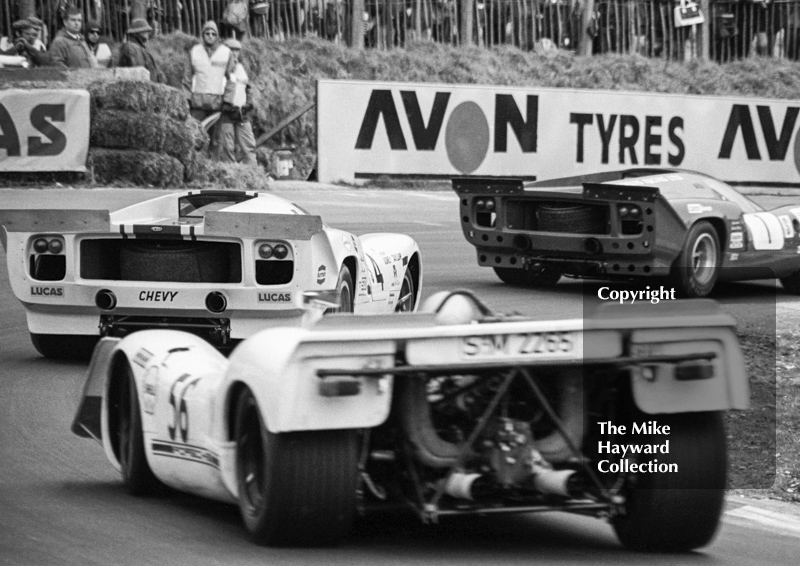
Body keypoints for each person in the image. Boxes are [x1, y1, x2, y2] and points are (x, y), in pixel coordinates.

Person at [182, 20, 235, 158]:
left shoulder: (226, 52)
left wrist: (228, 100)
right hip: (198, 104)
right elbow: (187, 77)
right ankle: (196, 165)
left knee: (216, 140)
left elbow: (232, 78)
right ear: (203, 34)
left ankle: (212, 167)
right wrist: (187, 98)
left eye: (213, 33)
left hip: (217, 104)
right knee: (195, 137)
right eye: (207, 33)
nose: (210, 36)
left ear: (217, 35)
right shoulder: (194, 52)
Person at [218, 38, 257, 165]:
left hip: (241, 113)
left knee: (249, 145)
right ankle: (230, 175)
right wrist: (223, 105)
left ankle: (253, 173)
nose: (234, 54)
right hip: (226, 114)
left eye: (237, 51)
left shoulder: (240, 68)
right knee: (226, 147)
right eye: (231, 50)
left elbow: (248, 88)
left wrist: (249, 103)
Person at [118, 18, 165, 82]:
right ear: (137, 33)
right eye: (145, 31)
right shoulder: (131, 48)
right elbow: (138, 73)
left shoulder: (140, 49)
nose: (148, 33)